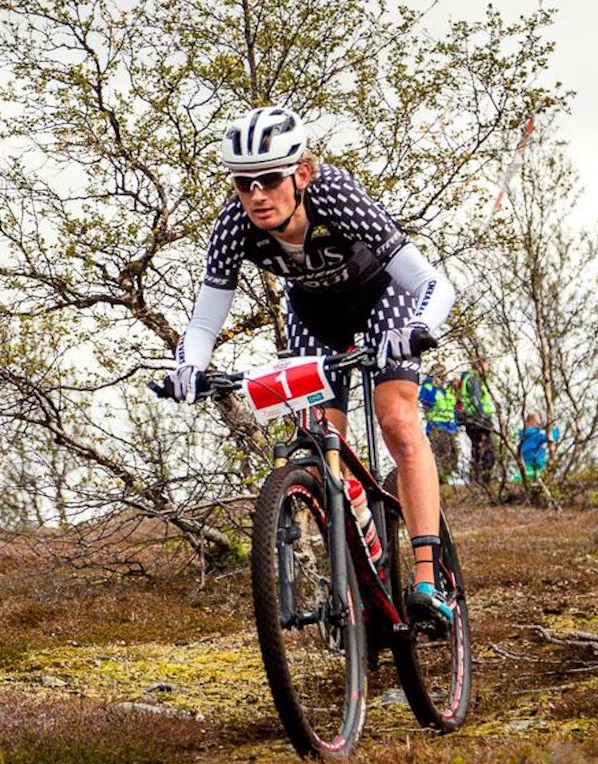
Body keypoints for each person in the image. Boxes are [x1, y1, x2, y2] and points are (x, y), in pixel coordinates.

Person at [169, 107, 457, 621]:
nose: (257, 195)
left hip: (382, 301)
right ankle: (361, 540)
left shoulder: (336, 195)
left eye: (269, 180)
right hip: (313, 315)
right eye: (243, 184)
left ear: (300, 173)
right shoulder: (234, 225)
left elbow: (432, 283)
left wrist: (417, 327)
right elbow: (205, 320)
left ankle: (426, 580)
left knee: (396, 420)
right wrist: (189, 367)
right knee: (322, 445)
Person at [457, 357, 497, 484]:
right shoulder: (474, 379)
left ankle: (477, 479)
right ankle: (484, 479)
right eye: (486, 365)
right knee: (485, 450)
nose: (488, 368)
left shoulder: (470, 379)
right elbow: (476, 400)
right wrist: (484, 418)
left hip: (473, 419)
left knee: (477, 449)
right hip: (478, 420)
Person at [418, 363, 459, 483]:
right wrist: (433, 385)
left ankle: (446, 478)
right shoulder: (428, 386)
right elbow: (425, 402)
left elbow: (454, 406)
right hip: (436, 426)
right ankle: (440, 481)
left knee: (453, 456)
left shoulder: (447, 389)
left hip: (450, 427)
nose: (442, 376)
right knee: (441, 454)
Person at [512, 412, 551, 481]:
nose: (539, 423)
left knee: (521, 478)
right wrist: (555, 430)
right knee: (542, 478)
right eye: (538, 422)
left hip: (525, 463)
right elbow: (551, 436)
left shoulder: (522, 435)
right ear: (533, 422)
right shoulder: (536, 435)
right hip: (536, 463)